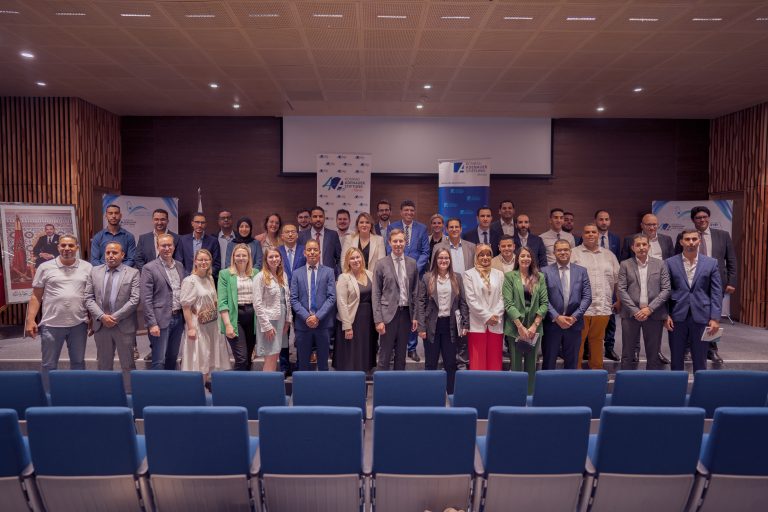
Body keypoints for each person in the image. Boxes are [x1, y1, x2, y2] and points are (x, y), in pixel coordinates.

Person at [25, 234, 92, 386]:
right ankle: (48, 396)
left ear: (77, 248)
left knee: (78, 363)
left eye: (71, 245)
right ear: (58, 247)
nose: (67, 248)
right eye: (63, 245)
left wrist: (93, 318)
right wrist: (30, 320)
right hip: (51, 325)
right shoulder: (44, 267)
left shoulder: (87, 267)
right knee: (48, 364)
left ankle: (78, 395)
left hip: (79, 324)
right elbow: (36, 296)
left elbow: (91, 296)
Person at [674, 206, 737, 364]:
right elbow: (677, 259)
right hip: (691, 283)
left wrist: (731, 281)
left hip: (715, 282)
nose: (702, 220)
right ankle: (688, 348)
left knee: (713, 317)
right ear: (693, 220)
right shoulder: (684, 237)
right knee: (690, 316)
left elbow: (731, 259)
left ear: (709, 218)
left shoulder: (723, 235)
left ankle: (712, 349)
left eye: (704, 217)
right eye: (698, 217)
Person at [621, 213, 674, 365]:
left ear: (649, 247)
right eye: (638, 245)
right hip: (631, 315)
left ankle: (652, 380)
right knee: (627, 354)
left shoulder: (660, 264)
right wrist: (635, 310)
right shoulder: (625, 264)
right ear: (632, 247)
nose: (641, 248)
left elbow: (666, 289)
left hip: (654, 314)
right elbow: (622, 290)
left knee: (653, 355)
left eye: (644, 245)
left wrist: (649, 309)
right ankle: (626, 380)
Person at [666, 229, 722, 372]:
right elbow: (665, 291)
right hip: (677, 316)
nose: (691, 242)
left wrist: (715, 318)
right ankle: (677, 386)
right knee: (676, 359)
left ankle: (701, 386)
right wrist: (665, 315)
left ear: (699, 241)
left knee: (700, 360)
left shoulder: (711, 263)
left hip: (703, 316)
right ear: (681, 242)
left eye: (694, 239)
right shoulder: (670, 263)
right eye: (687, 239)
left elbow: (716, 292)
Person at [417, 248, 468, 393]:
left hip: (450, 325)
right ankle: (431, 394)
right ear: (435, 260)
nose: (443, 261)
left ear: (450, 260)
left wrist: (465, 323)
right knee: (431, 363)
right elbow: (421, 302)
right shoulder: (427, 278)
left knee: (450, 363)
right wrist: (421, 327)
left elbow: (463, 302)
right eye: (440, 258)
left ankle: (451, 394)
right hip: (432, 325)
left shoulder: (457, 277)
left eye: (446, 258)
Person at [85, 241, 140, 376]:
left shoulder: (133, 273)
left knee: (128, 365)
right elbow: (88, 297)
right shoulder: (94, 271)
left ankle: (129, 389)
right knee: (104, 365)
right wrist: (102, 317)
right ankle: (106, 390)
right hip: (101, 325)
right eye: (108, 252)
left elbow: (134, 300)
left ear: (122, 255)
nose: (111, 255)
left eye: (115, 253)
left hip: (123, 325)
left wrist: (114, 318)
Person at [570, 223, 620, 370]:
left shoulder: (609, 255)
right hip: (580, 308)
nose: (591, 234)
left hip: (603, 306)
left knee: (598, 341)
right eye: (587, 232)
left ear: (598, 235)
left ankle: (597, 373)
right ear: (582, 235)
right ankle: (575, 373)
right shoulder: (574, 253)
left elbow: (617, 280)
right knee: (578, 341)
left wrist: (618, 299)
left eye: (593, 232)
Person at [386, 200, 430, 362]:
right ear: (401, 212)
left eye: (412, 210)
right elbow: (389, 248)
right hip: (395, 273)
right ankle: (394, 348)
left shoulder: (422, 228)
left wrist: (412, 267)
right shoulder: (392, 227)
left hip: (415, 274)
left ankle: (411, 348)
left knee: (412, 310)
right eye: (406, 210)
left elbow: (425, 252)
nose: (409, 213)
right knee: (395, 311)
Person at [180, 249, 231, 387]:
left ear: (210, 261)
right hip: (197, 324)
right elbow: (186, 307)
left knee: (210, 356)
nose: (204, 262)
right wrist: (191, 328)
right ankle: (198, 390)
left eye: (206, 260)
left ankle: (206, 387)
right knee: (200, 357)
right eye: (200, 259)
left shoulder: (209, 278)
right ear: (195, 261)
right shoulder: (189, 281)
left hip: (212, 322)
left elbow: (214, 300)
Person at [431, 217, 475, 370]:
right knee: (448, 330)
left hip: (467, 292)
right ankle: (446, 360)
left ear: (461, 229)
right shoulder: (439, 247)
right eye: (451, 227)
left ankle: (461, 362)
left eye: (457, 227)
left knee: (463, 328)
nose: (454, 229)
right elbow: (433, 270)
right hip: (446, 293)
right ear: (446, 229)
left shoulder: (471, 247)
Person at [503, 246, 548, 393]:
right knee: (516, 365)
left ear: (532, 259)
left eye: (528, 256)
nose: (525, 258)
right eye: (522, 256)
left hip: (534, 327)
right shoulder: (510, 276)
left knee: (531, 365)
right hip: (515, 327)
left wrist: (534, 325)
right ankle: (516, 395)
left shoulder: (539, 277)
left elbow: (544, 303)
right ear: (517, 259)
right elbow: (508, 304)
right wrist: (520, 326)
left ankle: (529, 395)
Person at [541, 240, 592, 370]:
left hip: (573, 324)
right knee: (548, 363)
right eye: (559, 250)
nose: (563, 252)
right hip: (552, 325)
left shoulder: (581, 271)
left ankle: (569, 385)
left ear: (570, 251)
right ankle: (547, 384)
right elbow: (543, 298)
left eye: (566, 249)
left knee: (572, 364)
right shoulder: (544, 272)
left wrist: (574, 317)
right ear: (554, 252)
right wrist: (556, 317)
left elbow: (587, 297)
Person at [373, 229, 419, 371]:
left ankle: (399, 384)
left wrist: (415, 316)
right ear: (389, 242)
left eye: (401, 241)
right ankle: (382, 385)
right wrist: (378, 320)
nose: (398, 244)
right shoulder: (381, 264)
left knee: (401, 356)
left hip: (405, 315)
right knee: (384, 356)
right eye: (395, 241)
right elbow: (376, 293)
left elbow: (415, 292)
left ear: (405, 242)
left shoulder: (412, 263)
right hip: (388, 316)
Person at [141, 233, 187, 370]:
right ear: (157, 247)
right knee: (159, 360)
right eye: (163, 245)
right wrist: (152, 323)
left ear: (174, 247)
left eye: (169, 245)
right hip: (159, 320)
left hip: (178, 318)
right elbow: (146, 299)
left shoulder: (179, 265)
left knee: (172, 357)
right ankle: (157, 384)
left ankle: (170, 383)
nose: (167, 248)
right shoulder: (149, 268)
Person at [290, 240, 336, 371]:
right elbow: (293, 299)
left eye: (315, 249)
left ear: (319, 252)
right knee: (303, 364)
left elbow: (331, 297)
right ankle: (303, 385)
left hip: (323, 324)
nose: (312, 252)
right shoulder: (296, 273)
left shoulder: (329, 272)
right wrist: (307, 317)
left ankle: (323, 385)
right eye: (309, 250)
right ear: (304, 253)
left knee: (323, 365)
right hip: (303, 325)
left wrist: (317, 317)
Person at [463, 244, 505, 370]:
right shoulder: (469, 274)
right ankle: (478, 384)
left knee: (495, 361)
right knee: (477, 362)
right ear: (476, 257)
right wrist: (487, 317)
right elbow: (471, 300)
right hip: (477, 323)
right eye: (481, 255)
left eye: (488, 254)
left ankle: (493, 383)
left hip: (496, 322)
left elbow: (503, 298)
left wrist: (495, 315)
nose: (485, 257)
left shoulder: (499, 274)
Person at [218, 243, 260, 371]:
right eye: (238, 255)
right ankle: (235, 383)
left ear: (249, 257)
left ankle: (245, 383)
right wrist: (228, 325)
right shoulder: (225, 274)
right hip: (234, 318)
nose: (241, 258)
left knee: (248, 359)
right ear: (233, 257)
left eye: (244, 255)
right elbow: (222, 302)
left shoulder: (256, 273)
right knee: (241, 359)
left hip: (252, 318)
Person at [335, 247, 376, 372]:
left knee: (365, 351)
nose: (356, 260)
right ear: (347, 261)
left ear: (362, 258)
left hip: (368, 320)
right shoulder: (344, 277)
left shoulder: (370, 274)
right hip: (352, 319)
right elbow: (341, 303)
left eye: (358, 257)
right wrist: (347, 326)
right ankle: (350, 381)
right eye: (352, 258)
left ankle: (364, 376)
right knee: (351, 355)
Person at [254, 248, 292, 372]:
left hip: (281, 319)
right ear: (266, 259)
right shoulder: (260, 277)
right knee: (270, 356)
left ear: (280, 258)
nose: (274, 259)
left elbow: (287, 300)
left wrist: (288, 320)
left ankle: (269, 382)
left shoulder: (283, 275)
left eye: (276, 256)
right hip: (269, 320)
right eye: (270, 257)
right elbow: (257, 304)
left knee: (275, 355)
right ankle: (266, 383)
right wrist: (266, 326)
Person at [593, 210, 622, 362]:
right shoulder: (588, 236)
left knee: (611, 319)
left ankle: (609, 348)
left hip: (609, 283)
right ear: (595, 221)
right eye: (601, 219)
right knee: (591, 319)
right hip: (593, 282)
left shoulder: (615, 238)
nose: (604, 222)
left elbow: (618, 263)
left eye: (606, 219)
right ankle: (589, 350)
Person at [277, 224, 305, 373]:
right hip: (282, 298)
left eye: (293, 232)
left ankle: (301, 365)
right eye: (286, 232)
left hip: (301, 299)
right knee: (283, 334)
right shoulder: (277, 251)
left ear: (297, 235)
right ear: (282, 236)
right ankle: (284, 366)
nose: (290, 234)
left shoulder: (304, 250)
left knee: (300, 334)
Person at [176, 212, 221, 280]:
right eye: (197, 222)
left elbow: (216, 265)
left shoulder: (213, 241)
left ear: (205, 224)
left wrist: (204, 275)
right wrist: (188, 276)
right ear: (192, 223)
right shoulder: (183, 240)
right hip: (186, 279)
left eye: (202, 223)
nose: (200, 225)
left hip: (206, 279)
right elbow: (178, 262)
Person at [298, 206, 342, 275]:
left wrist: (338, 275)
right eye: (315, 216)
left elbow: (339, 258)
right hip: (308, 275)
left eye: (320, 216)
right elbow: (299, 258)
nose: (318, 219)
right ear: (310, 219)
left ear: (324, 218)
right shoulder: (301, 236)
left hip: (329, 276)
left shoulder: (333, 235)